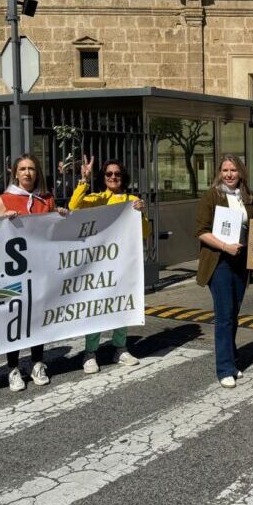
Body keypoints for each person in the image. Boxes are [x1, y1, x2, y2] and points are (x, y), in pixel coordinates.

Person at [69, 155, 149, 374]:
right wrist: (83, 180)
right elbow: (73, 206)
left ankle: (120, 347)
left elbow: (144, 233)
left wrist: (141, 214)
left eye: (117, 174)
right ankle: (90, 352)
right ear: (103, 177)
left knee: (121, 304)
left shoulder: (133, 199)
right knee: (95, 305)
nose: (113, 177)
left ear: (123, 177)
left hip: (122, 262)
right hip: (98, 263)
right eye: (109, 174)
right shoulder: (96, 199)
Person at [0, 153, 65, 392]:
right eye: (23, 169)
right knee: (14, 317)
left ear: (37, 173)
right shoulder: (5, 199)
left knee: (38, 316)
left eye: (31, 169)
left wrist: (62, 217)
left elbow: (55, 232)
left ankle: (37, 363)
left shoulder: (46, 199)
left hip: (40, 268)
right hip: (14, 271)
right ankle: (13, 368)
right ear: (15, 172)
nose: (27, 173)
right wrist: (3, 220)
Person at [195, 154, 253, 388]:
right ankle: (224, 369)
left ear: (241, 172)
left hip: (241, 261)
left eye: (233, 170)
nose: (229, 174)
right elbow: (201, 231)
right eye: (225, 170)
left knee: (234, 313)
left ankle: (231, 360)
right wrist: (225, 247)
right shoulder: (212, 196)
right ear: (219, 173)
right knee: (224, 316)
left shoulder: (249, 198)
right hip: (220, 261)